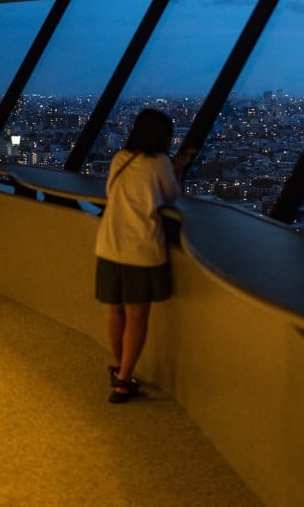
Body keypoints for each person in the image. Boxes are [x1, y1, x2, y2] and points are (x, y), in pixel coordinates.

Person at [94, 109, 189, 403]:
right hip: (141, 248)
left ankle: (116, 362)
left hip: (110, 244)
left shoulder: (121, 159)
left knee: (115, 310)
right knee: (137, 317)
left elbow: (112, 192)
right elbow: (170, 195)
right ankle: (123, 380)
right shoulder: (160, 163)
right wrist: (177, 169)